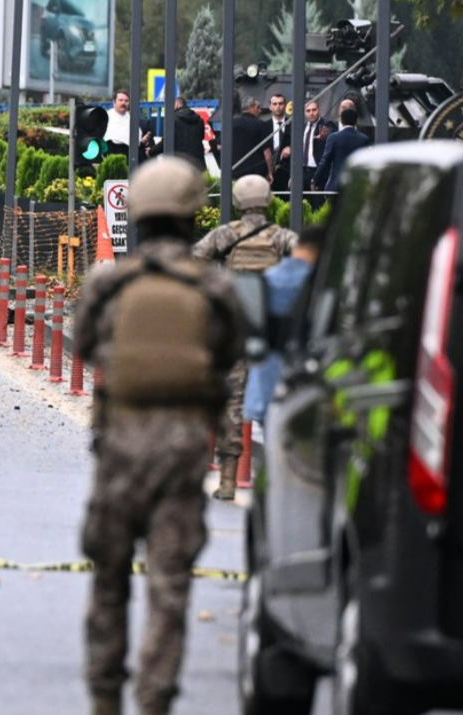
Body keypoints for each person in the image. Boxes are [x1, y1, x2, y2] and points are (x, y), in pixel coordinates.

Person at [75, 156, 244, 715]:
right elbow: (231, 353)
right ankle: (155, 700)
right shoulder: (214, 287)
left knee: (108, 581)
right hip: (181, 454)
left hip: (120, 446)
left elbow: (83, 344)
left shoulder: (110, 282)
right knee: (169, 588)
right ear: (194, 215)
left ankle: (104, 697)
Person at [192, 174, 296, 500]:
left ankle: (227, 481)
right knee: (280, 403)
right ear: (267, 201)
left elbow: (194, 260)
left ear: (237, 201)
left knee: (232, 404)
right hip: (273, 333)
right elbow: (308, 265)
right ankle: (280, 486)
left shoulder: (226, 234)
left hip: (236, 330)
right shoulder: (282, 238)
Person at [243, 225, 323, 425]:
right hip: (302, 396)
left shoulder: (266, 279)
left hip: (262, 391)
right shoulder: (320, 284)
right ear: (318, 250)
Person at [313, 107, 369, 194]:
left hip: (336, 185)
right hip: (356, 186)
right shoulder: (364, 139)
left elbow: (325, 161)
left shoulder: (333, 137)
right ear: (356, 121)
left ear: (342, 121)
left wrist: (315, 180)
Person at [286, 100, 331, 200]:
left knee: (317, 204)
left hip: (317, 172)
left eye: (314, 110)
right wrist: (292, 174)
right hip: (301, 171)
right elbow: (296, 153)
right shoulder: (301, 127)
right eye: (308, 111)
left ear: (319, 110)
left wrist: (325, 137)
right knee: (296, 203)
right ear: (304, 112)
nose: (311, 113)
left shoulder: (326, 125)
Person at [149, 97, 206, 171]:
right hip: (198, 164)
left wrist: (151, 151)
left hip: (179, 165)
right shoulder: (199, 120)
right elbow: (201, 137)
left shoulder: (172, 120)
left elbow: (166, 143)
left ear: (176, 104)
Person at [232, 97, 273, 180]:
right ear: (250, 108)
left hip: (235, 172)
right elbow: (267, 151)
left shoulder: (231, 123)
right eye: (258, 107)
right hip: (256, 172)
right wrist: (270, 172)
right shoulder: (260, 124)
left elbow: (220, 146)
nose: (260, 110)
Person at [267, 93, 291, 186]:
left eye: (280, 104)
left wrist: (291, 148)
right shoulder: (264, 126)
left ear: (285, 106)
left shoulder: (293, 125)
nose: (278, 106)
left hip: (287, 171)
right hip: (268, 170)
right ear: (270, 107)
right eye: (275, 104)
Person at [105, 90, 133, 159]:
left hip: (127, 153)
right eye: (120, 100)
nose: (123, 103)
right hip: (110, 151)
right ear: (114, 102)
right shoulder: (106, 116)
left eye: (126, 101)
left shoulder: (131, 118)